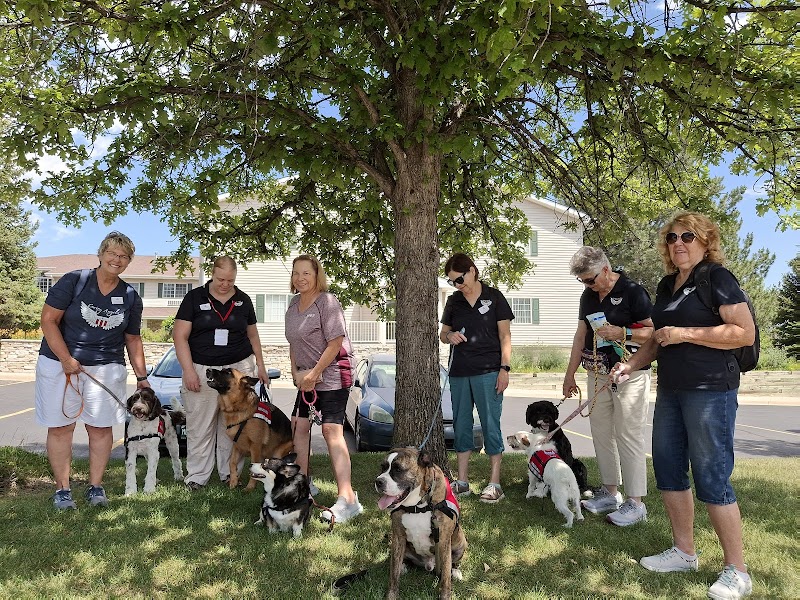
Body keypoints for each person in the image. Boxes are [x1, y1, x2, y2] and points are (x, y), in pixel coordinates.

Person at [611, 212, 756, 600]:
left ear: (706, 241)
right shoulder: (666, 285)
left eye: (689, 236)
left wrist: (686, 332)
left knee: (712, 476)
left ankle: (737, 570)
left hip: (710, 391)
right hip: (671, 391)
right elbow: (658, 339)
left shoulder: (717, 278)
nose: (679, 242)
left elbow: (743, 332)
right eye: (673, 237)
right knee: (670, 471)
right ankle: (684, 552)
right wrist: (631, 364)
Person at [35, 231, 149, 509]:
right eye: (111, 253)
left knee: (100, 428)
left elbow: (133, 339)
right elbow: (48, 320)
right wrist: (65, 358)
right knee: (61, 426)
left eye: (123, 256)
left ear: (129, 262)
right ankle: (63, 490)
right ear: (101, 254)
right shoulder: (75, 281)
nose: (116, 259)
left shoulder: (131, 296)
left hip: (107, 366)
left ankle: (95, 488)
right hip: (59, 363)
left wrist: (142, 378)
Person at [562, 247, 654, 526]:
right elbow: (581, 335)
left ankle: (635, 503)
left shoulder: (633, 291)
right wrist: (570, 375)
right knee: (601, 432)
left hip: (630, 372)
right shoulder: (588, 296)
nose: (587, 285)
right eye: (582, 281)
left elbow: (654, 331)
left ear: (605, 269)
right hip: (598, 372)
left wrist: (623, 332)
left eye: (589, 279)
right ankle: (610, 492)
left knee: (628, 434)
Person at [174, 256, 269, 490]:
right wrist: (188, 371)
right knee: (200, 425)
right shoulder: (194, 298)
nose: (225, 284)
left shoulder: (243, 300)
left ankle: (230, 473)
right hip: (204, 368)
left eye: (230, 280)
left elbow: (253, 335)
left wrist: (261, 365)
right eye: (220, 279)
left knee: (235, 426)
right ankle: (197, 476)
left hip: (238, 369)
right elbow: (179, 336)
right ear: (211, 275)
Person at [285, 255, 362, 523]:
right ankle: (303, 487)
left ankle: (348, 499)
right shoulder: (293, 305)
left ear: (317, 275)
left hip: (331, 374)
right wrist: (297, 375)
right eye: (296, 273)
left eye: (306, 272)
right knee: (299, 427)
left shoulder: (327, 302)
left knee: (331, 430)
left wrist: (314, 374)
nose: (300, 278)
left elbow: (335, 341)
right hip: (306, 378)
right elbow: (294, 345)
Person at [439, 253, 514, 504]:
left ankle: (495, 483)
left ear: (472, 270)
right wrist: (450, 338)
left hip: (489, 370)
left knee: (491, 423)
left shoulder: (494, 297)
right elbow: (443, 333)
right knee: (461, 423)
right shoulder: (454, 301)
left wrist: (505, 369)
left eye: (460, 279)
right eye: (452, 282)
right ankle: (462, 482)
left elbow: (505, 337)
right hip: (460, 372)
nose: (458, 285)